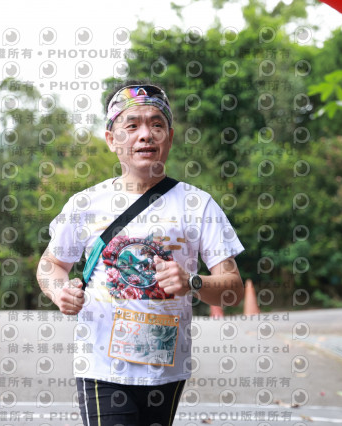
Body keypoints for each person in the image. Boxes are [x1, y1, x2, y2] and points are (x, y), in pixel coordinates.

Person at [36, 80, 245, 426]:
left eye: (156, 125)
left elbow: (233, 289)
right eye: (132, 126)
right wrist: (59, 291)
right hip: (100, 366)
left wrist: (192, 282)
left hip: (166, 368)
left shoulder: (197, 204)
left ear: (170, 138)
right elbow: (51, 264)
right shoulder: (86, 204)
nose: (146, 135)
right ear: (111, 139)